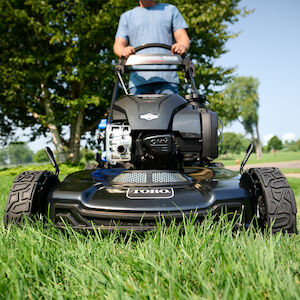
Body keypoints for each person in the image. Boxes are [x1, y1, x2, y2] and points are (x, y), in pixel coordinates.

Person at [113, 0, 190, 95]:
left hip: (167, 79)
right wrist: (123, 51)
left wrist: (181, 46)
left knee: (168, 109)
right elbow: (118, 45)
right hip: (138, 81)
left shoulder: (171, 10)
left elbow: (182, 37)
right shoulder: (127, 16)